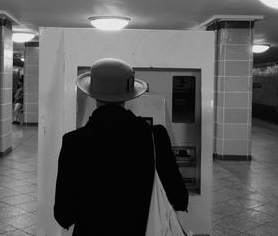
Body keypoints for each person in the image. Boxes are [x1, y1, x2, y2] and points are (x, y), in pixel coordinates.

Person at [54, 58, 188, 236]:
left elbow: (64, 215)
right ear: (129, 96)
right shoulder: (156, 137)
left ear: (93, 96)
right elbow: (179, 198)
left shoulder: (74, 142)